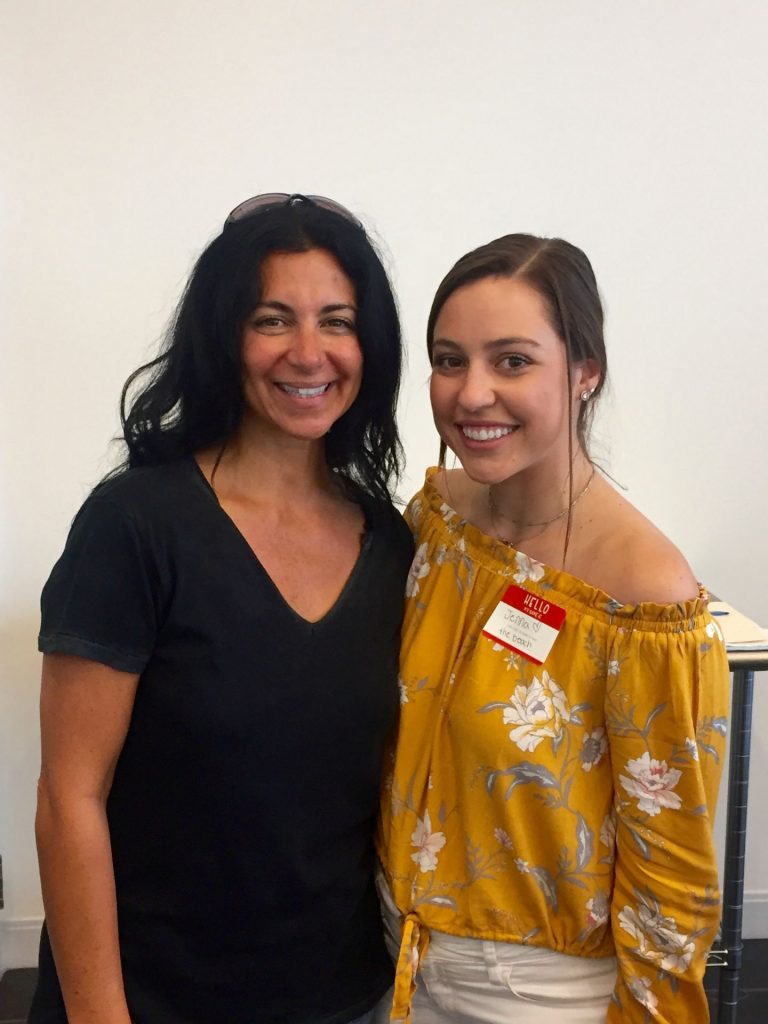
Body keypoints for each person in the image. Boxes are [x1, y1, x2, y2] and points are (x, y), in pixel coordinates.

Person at [31, 193, 414, 1024]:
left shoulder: (391, 542)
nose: (309, 353)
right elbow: (70, 798)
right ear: (223, 336)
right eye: (272, 319)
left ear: (370, 344)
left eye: (337, 321)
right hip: (151, 999)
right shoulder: (136, 524)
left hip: (342, 998)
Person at [377, 233, 729, 1023]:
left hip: (531, 993)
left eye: (511, 361)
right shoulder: (438, 520)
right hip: (393, 953)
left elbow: (671, 873)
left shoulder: (642, 594)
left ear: (584, 372)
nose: (471, 394)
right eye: (448, 359)